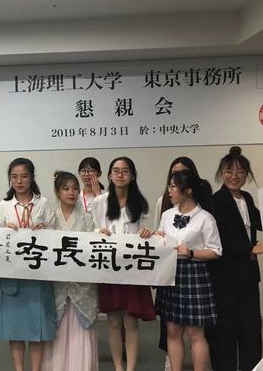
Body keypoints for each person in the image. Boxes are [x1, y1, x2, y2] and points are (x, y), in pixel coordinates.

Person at [91, 156, 155, 371]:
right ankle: (119, 366)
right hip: (109, 267)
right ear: (109, 175)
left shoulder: (140, 203)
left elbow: (146, 231)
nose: (120, 174)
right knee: (113, 322)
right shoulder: (100, 202)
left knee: (131, 321)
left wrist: (147, 232)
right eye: (116, 171)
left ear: (132, 175)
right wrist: (98, 232)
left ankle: (131, 368)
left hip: (133, 269)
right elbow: (92, 229)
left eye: (125, 171)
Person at [154, 169, 221, 371]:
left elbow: (216, 251)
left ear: (188, 190)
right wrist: (155, 236)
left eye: (174, 186)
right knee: (173, 330)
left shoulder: (205, 218)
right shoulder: (167, 215)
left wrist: (191, 253)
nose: (169, 191)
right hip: (170, 272)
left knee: (195, 333)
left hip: (194, 273)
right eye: (170, 186)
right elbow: (161, 238)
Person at [0, 158, 56, 371]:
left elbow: (54, 236)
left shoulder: (43, 203)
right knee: (15, 328)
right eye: (14, 177)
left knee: (37, 328)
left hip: (37, 275)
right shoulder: (4, 205)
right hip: (12, 275)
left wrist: (44, 231)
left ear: (32, 178)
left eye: (24, 176)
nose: (19, 181)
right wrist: (5, 231)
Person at [207, 146, 263, 371]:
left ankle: (252, 366)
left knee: (251, 326)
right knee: (226, 328)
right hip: (225, 274)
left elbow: (256, 225)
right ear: (221, 174)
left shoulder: (248, 198)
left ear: (247, 175)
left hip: (248, 273)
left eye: (240, 172)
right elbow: (222, 237)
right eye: (229, 171)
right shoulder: (216, 200)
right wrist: (251, 249)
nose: (234, 176)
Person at [41, 171, 98, 371]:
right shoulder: (49, 217)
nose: (71, 192)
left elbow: (94, 245)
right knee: (58, 329)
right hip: (57, 283)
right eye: (66, 188)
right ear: (57, 192)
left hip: (81, 283)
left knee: (80, 331)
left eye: (75, 188)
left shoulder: (88, 217)